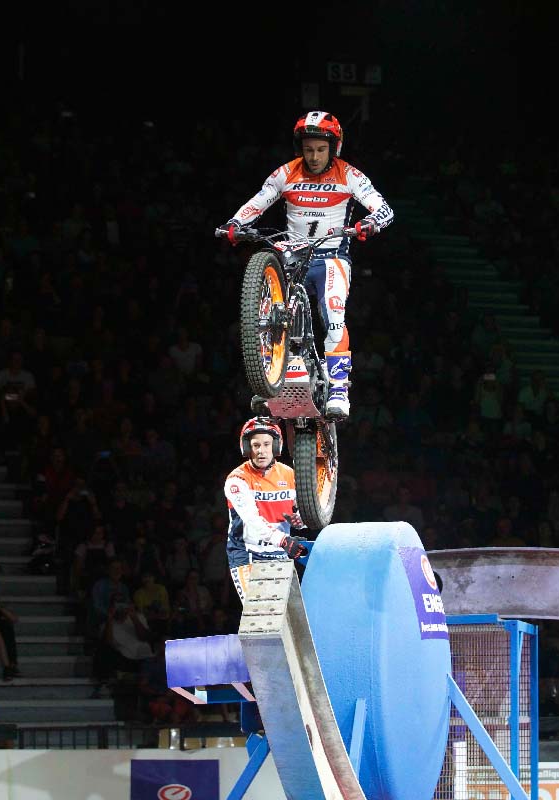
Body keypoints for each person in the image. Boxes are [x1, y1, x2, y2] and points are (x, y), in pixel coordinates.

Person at [217, 111, 395, 417]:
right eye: (309, 149)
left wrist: (370, 224)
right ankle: (269, 383)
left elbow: (384, 209)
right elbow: (260, 201)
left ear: (334, 148)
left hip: (331, 256)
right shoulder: (285, 172)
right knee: (269, 316)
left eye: (321, 149)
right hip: (292, 254)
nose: (314, 156)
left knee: (334, 312)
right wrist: (235, 223)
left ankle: (339, 387)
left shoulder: (349, 174)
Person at [224, 418, 309, 602]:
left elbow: (303, 514)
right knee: (258, 610)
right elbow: (252, 520)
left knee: (283, 614)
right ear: (247, 448)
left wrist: (299, 520)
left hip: (279, 552)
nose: (261, 451)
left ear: (276, 446)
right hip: (246, 553)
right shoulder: (236, 480)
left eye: (266, 444)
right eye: (255, 445)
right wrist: (284, 541)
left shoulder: (289, 474)